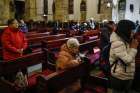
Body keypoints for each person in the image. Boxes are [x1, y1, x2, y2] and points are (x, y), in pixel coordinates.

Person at [109, 20, 139, 93]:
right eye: (131, 31)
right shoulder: (117, 42)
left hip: (126, 74)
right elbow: (127, 60)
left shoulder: (124, 39)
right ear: (125, 30)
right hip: (119, 76)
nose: (133, 33)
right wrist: (134, 48)